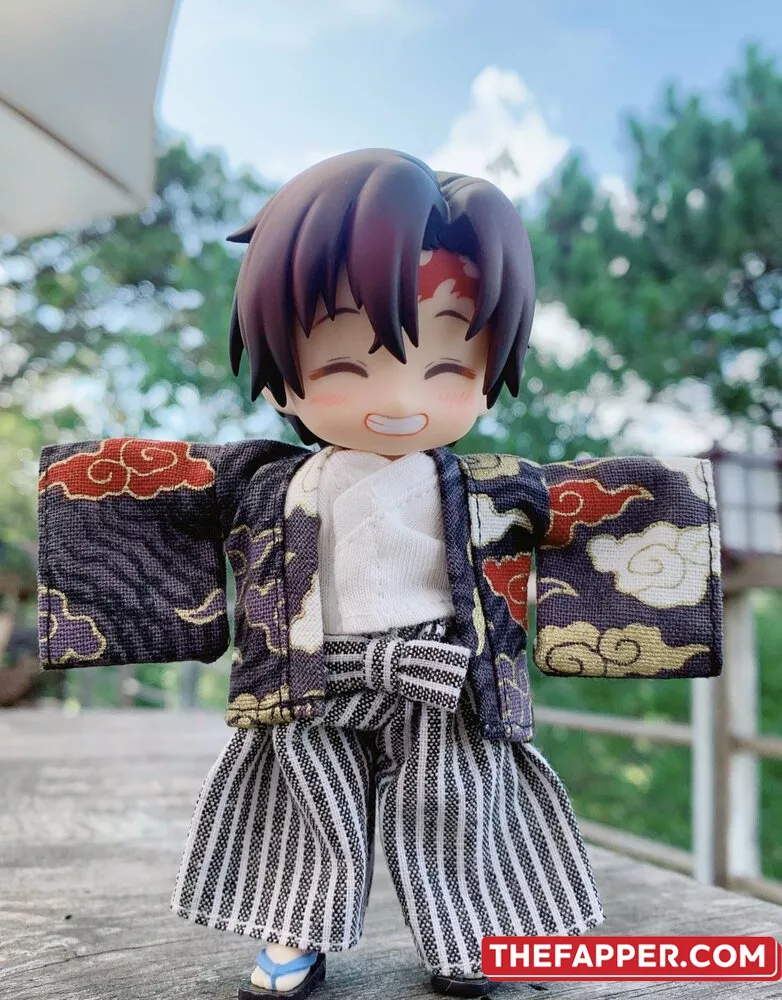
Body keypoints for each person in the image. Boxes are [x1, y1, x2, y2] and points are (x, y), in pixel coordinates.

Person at [37, 149, 723, 1000]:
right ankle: (296, 935)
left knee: (453, 805)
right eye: (344, 366)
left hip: (441, 674)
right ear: (280, 371)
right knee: (304, 806)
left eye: (447, 368)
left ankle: (472, 937)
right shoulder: (262, 482)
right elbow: (144, 498)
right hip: (311, 673)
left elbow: (603, 511)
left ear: (489, 375)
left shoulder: (495, 486)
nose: (399, 397)